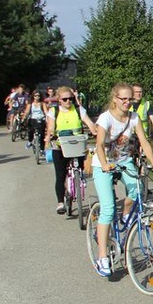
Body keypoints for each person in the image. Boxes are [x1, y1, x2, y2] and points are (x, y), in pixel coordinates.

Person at [91, 83, 153, 277]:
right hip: (103, 164)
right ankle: (103, 257)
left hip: (124, 161)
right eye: (123, 98)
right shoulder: (106, 118)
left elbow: (144, 142)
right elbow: (98, 144)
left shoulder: (134, 118)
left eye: (130, 99)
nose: (127, 102)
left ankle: (126, 216)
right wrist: (105, 164)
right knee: (108, 208)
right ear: (115, 98)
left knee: (137, 191)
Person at [45, 86, 98, 214]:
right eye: (65, 99)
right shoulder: (54, 111)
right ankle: (60, 202)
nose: (68, 101)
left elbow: (90, 123)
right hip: (60, 147)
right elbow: (51, 127)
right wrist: (50, 135)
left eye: (70, 99)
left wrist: (95, 131)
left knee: (81, 169)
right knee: (60, 175)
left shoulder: (79, 110)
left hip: (77, 146)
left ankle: (77, 182)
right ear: (59, 100)